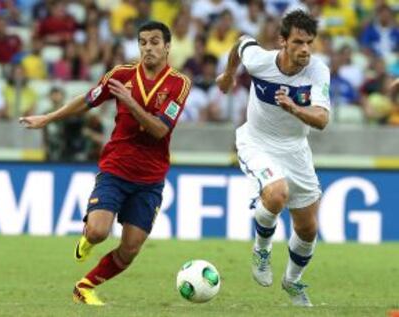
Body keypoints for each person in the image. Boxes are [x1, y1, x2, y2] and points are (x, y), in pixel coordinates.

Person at [19, 21, 191, 306]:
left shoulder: (179, 84)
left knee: (131, 248)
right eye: (143, 42)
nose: (148, 47)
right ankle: (87, 238)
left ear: (168, 47)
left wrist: (130, 102)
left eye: (155, 42)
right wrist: (47, 118)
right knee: (99, 231)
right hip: (116, 167)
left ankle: (84, 287)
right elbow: (87, 100)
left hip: (150, 178)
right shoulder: (122, 74)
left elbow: (161, 129)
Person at [217, 10, 331, 307]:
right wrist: (229, 74)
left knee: (308, 229)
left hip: (296, 150)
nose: (304, 49)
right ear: (282, 41)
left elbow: (321, 120)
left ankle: (292, 281)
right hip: (257, 143)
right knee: (276, 193)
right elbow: (241, 44)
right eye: (297, 42)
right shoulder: (260, 61)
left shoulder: (318, 71)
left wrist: (293, 108)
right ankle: (262, 250)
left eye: (309, 42)